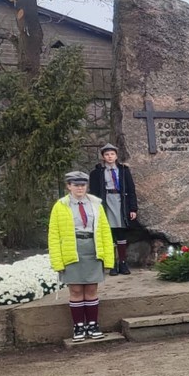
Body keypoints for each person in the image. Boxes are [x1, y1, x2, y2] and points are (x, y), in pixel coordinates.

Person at [49, 171, 115, 342]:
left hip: (92, 249)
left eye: (83, 185)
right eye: (76, 185)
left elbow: (105, 232)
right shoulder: (60, 206)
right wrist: (57, 261)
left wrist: (108, 257)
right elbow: (54, 235)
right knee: (76, 290)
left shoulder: (96, 204)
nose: (80, 188)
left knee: (91, 289)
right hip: (72, 250)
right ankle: (78, 326)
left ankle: (93, 325)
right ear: (69, 186)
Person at [89, 143, 138, 276]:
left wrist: (133, 208)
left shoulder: (124, 171)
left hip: (121, 202)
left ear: (116, 156)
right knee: (108, 233)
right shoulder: (97, 173)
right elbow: (93, 193)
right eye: (107, 154)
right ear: (103, 157)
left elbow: (131, 190)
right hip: (106, 202)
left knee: (121, 232)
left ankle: (123, 262)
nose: (110, 157)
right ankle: (112, 263)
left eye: (112, 154)